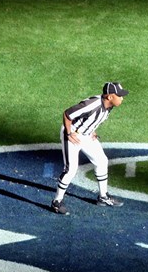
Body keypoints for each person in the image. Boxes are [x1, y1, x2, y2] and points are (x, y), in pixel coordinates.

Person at [50, 82, 128, 215]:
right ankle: (57, 201)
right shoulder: (92, 105)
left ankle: (103, 197)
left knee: (102, 161)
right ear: (110, 97)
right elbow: (68, 114)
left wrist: (92, 130)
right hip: (74, 135)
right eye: (119, 96)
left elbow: (92, 119)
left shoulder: (109, 105)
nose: (122, 98)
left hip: (87, 135)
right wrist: (69, 133)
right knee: (71, 169)